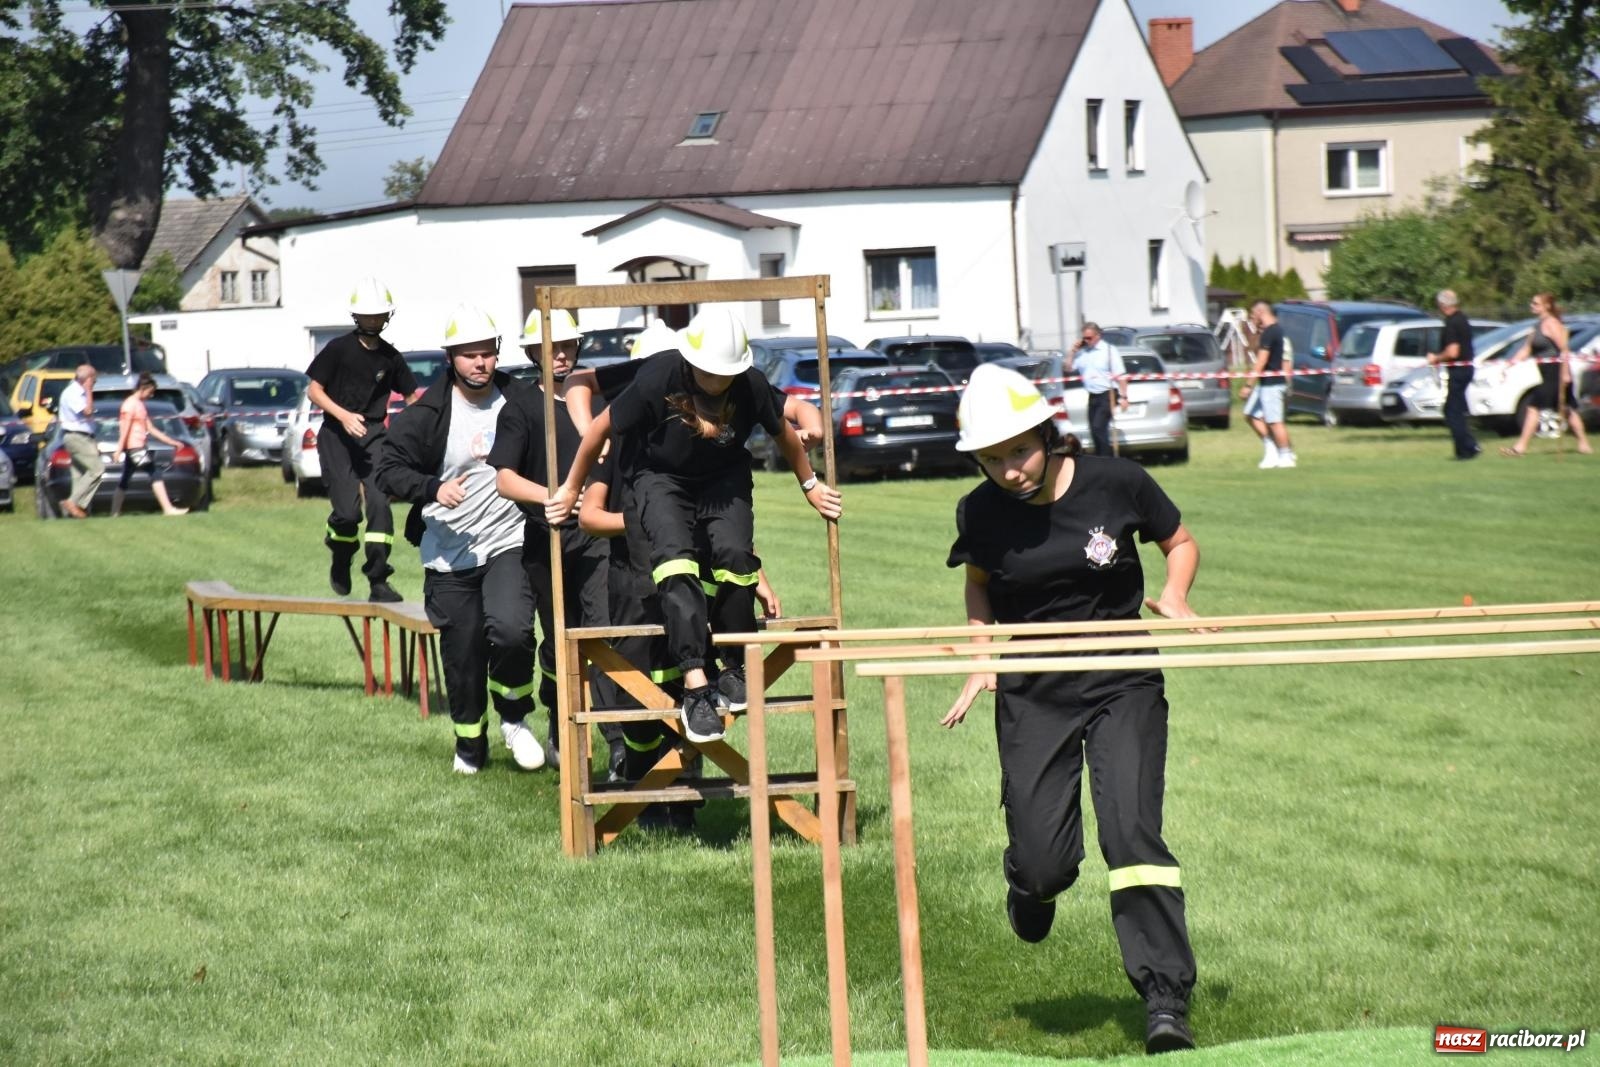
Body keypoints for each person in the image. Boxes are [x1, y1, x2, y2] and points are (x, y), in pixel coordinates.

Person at [943, 362, 1201, 1055]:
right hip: (1035, 690)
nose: (1009, 470)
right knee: (1044, 863)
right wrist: (981, 656)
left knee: (1130, 832)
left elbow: (1179, 542)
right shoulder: (980, 511)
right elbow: (978, 588)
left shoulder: (1117, 482)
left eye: (1018, 451)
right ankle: (1029, 884)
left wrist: (1174, 594)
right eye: (991, 459)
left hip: (1123, 678)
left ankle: (1165, 996)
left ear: (1048, 433)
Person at [545, 306, 841, 746]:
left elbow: (783, 433)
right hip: (661, 479)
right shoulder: (657, 378)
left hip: (724, 479)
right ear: (691, 363)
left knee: (737, 560)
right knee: (676, 564)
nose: (718, 384)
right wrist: (571, 488)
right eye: (709, 375)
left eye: (725, 376)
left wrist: (811, 484)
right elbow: (597, 431)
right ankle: (696, 686)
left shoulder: (750, 384)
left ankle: (735, 663)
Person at [374, 304, 543, 774]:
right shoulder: (427, 412)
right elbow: (387, 471)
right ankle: (470, 745)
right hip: (449, 553)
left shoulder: (520, 398)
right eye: (468, 355)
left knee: (512, 631)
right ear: (451, 358)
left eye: (487, 353)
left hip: (508, 539)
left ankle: (514, 717)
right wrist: (432, 488)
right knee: (464, 656)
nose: (480, 363)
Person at [489, 307, 611, 769]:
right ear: (531, 352)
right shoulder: (520, 408)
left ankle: (616, 741)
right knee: (560, 640)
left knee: (602, 635)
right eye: (550, 347)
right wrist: (555, 497)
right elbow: (505, 479)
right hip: (547, 541)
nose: (559, 354)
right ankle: (561, 725)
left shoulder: (597, 403)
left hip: (598, 540)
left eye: (566, 345)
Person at [305, 276, 422, 603]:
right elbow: (314, 390)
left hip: (374, 436)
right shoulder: (337, 350)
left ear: (387, 317)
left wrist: (424, 429)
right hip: (336, 434)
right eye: (367, 314)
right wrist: (343, 415)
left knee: (380, 506)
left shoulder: (391, 357)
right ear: (357, 316)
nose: (373, 320)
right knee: (347, 514)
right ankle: (341, 555)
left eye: (378, 315)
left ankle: (378, 580)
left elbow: (412, 397)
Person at [1499, 292, 1593, 457]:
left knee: (1534, 407)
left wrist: (1565, 373)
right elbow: (1527, 349)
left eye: (1535, 303)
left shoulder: (1552, 324)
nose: (1532, 306)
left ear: (1546, 306)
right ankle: (1584, 444)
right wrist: (1510, 364)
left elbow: (1564, 349)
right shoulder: (1537, 326)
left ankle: (1520, 447)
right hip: (1546, 372)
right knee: (1567, 409)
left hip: (1556, 372)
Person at [113, 372, 189, 517]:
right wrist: (119, 449)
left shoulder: (139, 405)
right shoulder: (130, 405)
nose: (151, 395)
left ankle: (114, 513)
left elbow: (151, 429)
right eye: (150, 392)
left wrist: (172, 442)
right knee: (155, 473)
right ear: (143, 388)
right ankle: (168, 509)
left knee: (124, 480)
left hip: (137, 447)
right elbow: (125, 428)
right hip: (135, 448)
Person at [1422, 289, 1482, 461]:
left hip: (1458, 371)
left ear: (1442, 305)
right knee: (1458, 409)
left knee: (1452, 411)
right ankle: (1465, 447)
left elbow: (1453, 352)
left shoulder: (1452, 323)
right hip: (1466, 369)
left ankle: (1467, 448)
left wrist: (1436, 358)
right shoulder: (1462, 318)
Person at [1242, 300, 1296, 469]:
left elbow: (1261, 361)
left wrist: (1248, 385)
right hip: (1265, 384)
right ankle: (1271, 447)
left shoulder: (1272, 332)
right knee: (1250, 414)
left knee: (1275, 421)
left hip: (1273, 384)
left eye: (1253, 314)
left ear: (1260, 313)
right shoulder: (1270, 332)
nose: (1252, 318)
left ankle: (1286, 455)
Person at [1068, 322, 1127, 457]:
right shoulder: (1083, 354)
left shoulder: (1109, 351)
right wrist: (1072, 352)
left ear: (1098, 336)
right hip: (1093, 395)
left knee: (1098, 427)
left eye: (1089, 338)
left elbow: (1121, 375)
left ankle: (1107, 459)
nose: (1086, 341)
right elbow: (1068, 368)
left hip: (1108, 394)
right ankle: (1101, 458)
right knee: (1094, 430)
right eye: (1084, 338)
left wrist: (1124, 397)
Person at [56, 364, 104, 518]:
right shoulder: (73, 393)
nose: (94, 384)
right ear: (87, 379)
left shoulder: (78, 392)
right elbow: (88, 411)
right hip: (76, 436)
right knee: (97, 469)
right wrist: (89, 390)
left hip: (84, 436)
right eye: (94, 381)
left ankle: (72, 512)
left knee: (79, 475)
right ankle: (72, 502)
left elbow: (88, 420)